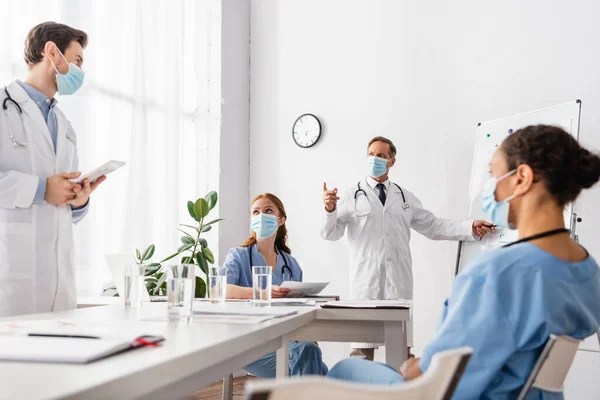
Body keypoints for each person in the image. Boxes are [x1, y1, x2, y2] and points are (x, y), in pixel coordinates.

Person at [327, 125, 600, 399]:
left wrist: (413, 368)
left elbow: (433, 374)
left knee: (347, 370)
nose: (489, 188)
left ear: (522, 179)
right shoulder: (589, 269)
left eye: (493, 175)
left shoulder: (494, 273)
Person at [321, 136, 493, 359]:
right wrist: (329, 209)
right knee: (362, 353)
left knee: (400, 352)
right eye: (371, 154)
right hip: (366, 285)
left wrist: (469, 227)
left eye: (381, 155)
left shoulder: (404, 197)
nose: (375, 159)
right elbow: (330, 233)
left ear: (392, 161)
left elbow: (433, 226)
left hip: (398, 283)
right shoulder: (350, 195)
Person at [0, 22, 106, 317]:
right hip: (10, 283)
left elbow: (63, 205)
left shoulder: (65, 126)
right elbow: (45, 190)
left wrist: (79, 199)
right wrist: (41, 188)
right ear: (51, 52)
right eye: (77, 61)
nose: (80, 72)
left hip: (60, 286)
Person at [223, 193, 328, 378]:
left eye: (268, 210)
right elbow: (221, 289)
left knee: (310, 352)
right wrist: (262, 293)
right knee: (318, 372)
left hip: (288, 341)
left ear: (281, 220)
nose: (261, 216)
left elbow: (300, 309)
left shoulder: (291, 263)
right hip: (249, 343)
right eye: (256, 212)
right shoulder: (238, 256)